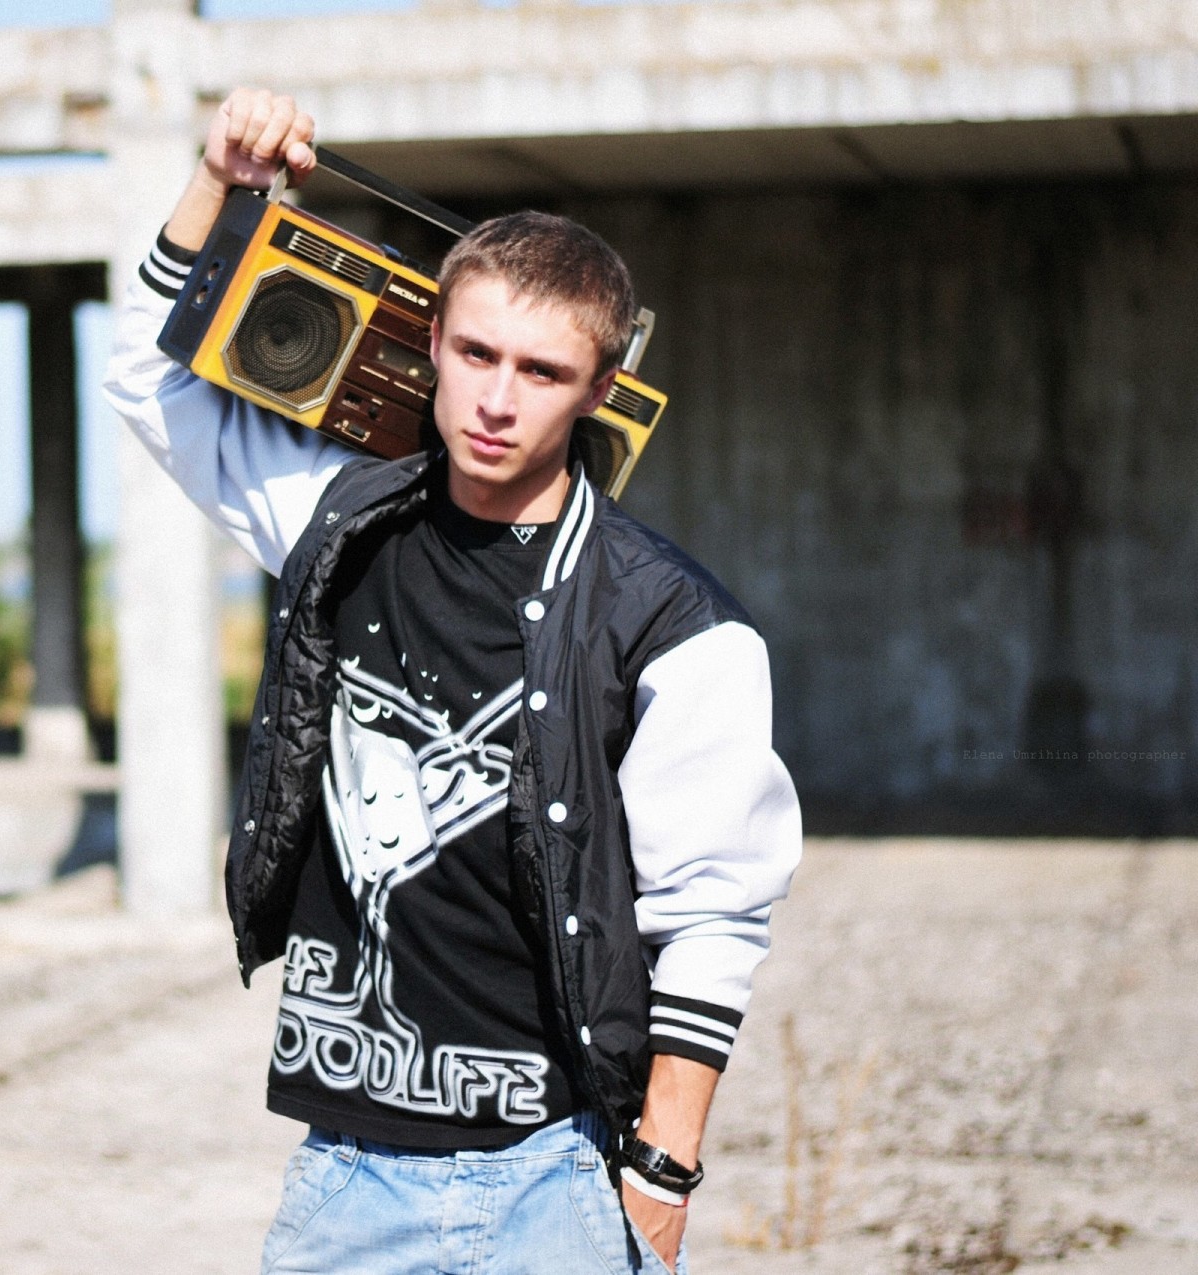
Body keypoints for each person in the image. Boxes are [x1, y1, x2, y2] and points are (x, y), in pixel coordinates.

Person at [104, 89, 803, 1273]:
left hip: (559, 1171)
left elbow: (713, 915)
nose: (494, 398)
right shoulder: (334, 521)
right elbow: (146, 378)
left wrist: (663, 1175)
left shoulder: (676, 626)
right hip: (344, 1167)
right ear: (428, 341)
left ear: (598, 390)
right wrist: (217, 181)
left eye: (541, 370)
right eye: (475, 352)